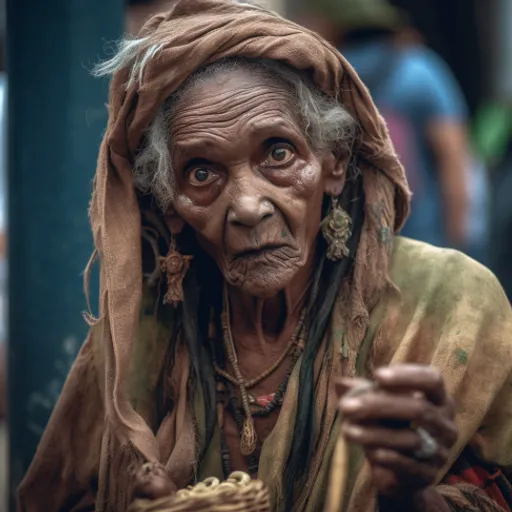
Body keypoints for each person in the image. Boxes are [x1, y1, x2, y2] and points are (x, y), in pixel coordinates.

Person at [17, 1, 512, 511]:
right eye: (202, 174)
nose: (248, 208)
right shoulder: (146, 332)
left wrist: (412, 496)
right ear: (171, 207)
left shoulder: (450, 302)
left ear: (333, 163)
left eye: (278, 153)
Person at [303, 0, 482, 257]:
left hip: (349, 244)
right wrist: (457, 244)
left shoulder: (324, 77)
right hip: (422, 240)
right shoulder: (420, 70)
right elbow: (453, 159)